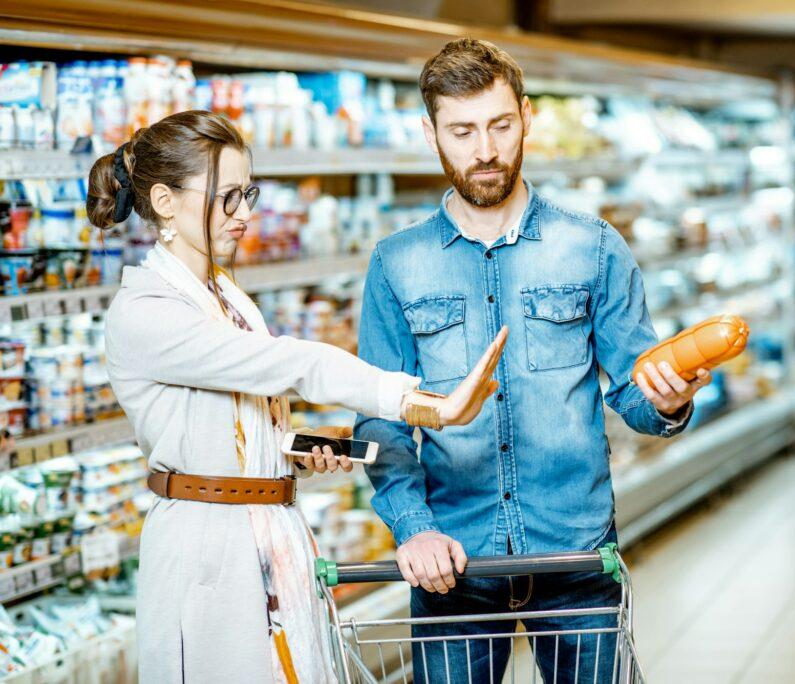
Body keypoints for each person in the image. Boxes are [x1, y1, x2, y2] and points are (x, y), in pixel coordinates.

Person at [88, 110, 507, 683]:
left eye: (248, 194)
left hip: (259, 530)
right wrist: (423, 403)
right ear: (163, 200)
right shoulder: (145, 311)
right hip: (209, 551)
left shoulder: (226, 295)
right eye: (225, 197)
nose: (243, 215)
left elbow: (229, 424)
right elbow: (291, 364)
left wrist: (291, 450)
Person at [354, 39, 712, 682]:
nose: (484, 150)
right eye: (461, 131)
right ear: (430, 130)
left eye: (500, 125)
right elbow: (382, 422)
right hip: (453, 561)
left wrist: (669, 399)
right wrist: (413, 527)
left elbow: (635, 389)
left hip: (574, 556)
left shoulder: (593, 246)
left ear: (527, 116)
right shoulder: (395, 264)